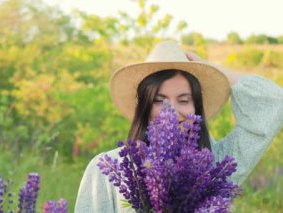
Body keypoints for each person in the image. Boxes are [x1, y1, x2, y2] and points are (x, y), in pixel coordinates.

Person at [74, 41, 283, 212]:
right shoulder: (109, 166)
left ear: (197, 108)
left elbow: (272, 102)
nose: (171, 112)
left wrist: (215, 70)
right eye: (159, 100)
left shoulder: (213, 164)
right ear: (144, 107)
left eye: (184, 100)